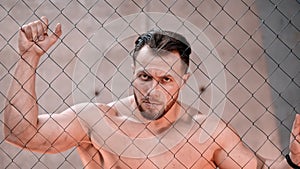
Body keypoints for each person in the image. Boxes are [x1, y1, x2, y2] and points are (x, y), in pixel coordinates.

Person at [3, 16, 300, 169]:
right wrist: (29, 59)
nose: (152, 90)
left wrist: (293, 162)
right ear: (132, 72)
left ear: (183, 81)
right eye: (144, 76)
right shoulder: (97, 120)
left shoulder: (209, 134)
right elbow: (21, 133)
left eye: (166, 80)